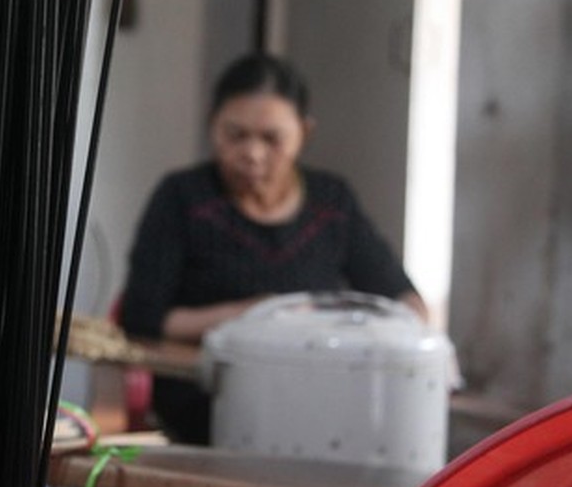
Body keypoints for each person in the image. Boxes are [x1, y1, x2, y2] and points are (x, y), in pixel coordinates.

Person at [119, 52, 427, 445]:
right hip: (207, 400)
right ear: (212, 125)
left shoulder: (332, 203)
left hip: (321, 400)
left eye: (271, 138)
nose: (252, 153)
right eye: (235, 135)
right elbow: (142, 317)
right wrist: (248, 316)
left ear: (304, 133)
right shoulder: (183, 199)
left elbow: (402, 299)